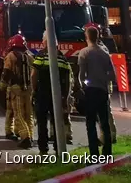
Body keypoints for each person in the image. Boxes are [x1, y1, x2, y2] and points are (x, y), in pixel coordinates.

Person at [31, 31, 72, 155]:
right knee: (57, 121)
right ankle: (58, 147)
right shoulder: (62, 57)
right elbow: (68, 78)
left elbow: (34, 75)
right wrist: (66, 95)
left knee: (42, 122)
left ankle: (43, 149)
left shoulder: (41, 56)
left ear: (45, 42)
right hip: (58, 94)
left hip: (42, 93)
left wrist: (34, 90)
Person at [78, 25, 116, 157]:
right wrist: (103, 79)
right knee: (104, 123)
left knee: (91, 123)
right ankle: (107, 153)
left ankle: (94, 153)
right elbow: (113, 75)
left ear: (87, 37)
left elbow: (81, 75)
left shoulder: (84, 53)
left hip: (90, 91)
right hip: (103, 90)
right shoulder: (105, 54)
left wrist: (83, 86)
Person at [0, 34, 33, 148]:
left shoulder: (10, 56)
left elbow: (6, 72)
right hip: (28, 89)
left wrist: (2, 85)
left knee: (18, 113)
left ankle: (25, 137)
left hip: (16, 89)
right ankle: (30, 135)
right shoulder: (29, 56)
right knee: (28, 114)